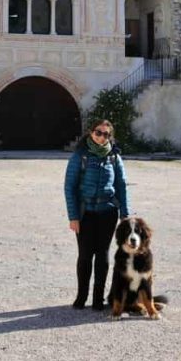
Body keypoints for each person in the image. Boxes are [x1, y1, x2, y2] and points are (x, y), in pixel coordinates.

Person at [63, 119, 130, 310]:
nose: (102, 137)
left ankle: (98, 299)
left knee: (102, 255)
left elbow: (121, 185)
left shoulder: (114, 157)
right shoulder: (80, 156)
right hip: (86, 213)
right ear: (91, 133)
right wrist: (73, 216)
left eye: (106, 134)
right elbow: (69, 187)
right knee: (85, 255)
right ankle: (81, 296)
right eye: (98, 133)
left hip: (108, 212)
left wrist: (125, 214)